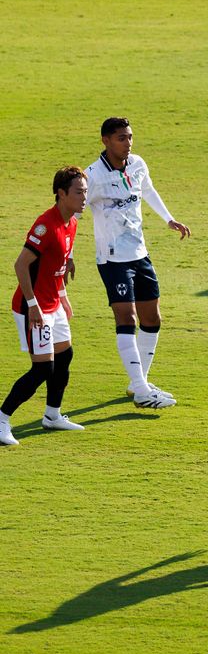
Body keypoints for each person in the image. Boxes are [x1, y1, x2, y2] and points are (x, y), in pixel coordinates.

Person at [85, 117, 190, 408]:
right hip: (112, 259)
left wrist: (169, 218)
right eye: (121, 138)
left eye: (130, 137)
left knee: (152, 318)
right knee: (127, 319)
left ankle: (138, 383)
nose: (128, 143)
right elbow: (72, 213)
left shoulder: (138, 163)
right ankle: (143, 392)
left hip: (139, 254)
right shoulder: (92, 177)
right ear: (105, 140)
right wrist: (66, 256)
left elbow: (148, 191)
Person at [0, 167, 89, 446]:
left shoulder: (71, 221)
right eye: (78, 192)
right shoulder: (45, 225)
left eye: (86, 191)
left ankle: (52, 415)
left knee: (65, 357)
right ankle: (2, 418)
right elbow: (21, 264)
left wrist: (63, 297)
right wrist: (33, 305)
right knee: (42, 369)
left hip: (53, 304)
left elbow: (57, 265)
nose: (84, 197)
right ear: (61, 194)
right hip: (34, 306)